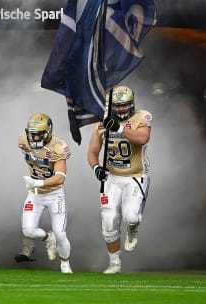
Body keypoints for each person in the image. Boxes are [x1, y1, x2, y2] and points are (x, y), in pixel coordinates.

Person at [87, 85, 152, 274]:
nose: (122, 109)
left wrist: (119, 128)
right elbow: (92, 152)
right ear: (111, 106)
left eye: (125, 105)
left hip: (135, 175)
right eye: (118, 105)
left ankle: (133, 226)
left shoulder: (142, 117)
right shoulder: (102, 122)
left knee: (131, 215)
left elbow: (142, 138)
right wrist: (96, 167)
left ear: (132, 104)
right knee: (108, 222)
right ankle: (114, 264)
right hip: (112, 177)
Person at [18, 113, 73, 274]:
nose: (34, 138)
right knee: (28, 230)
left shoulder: (58, 147)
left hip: (54, 194)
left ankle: (65, 264)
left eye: (39, 134)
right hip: (34, 195)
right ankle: (49, 239)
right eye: (32, 134)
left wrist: (38, 182)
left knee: (61, 233)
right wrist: (35, 185)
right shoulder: (23, 140)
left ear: (48, 132)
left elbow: (60, 178)